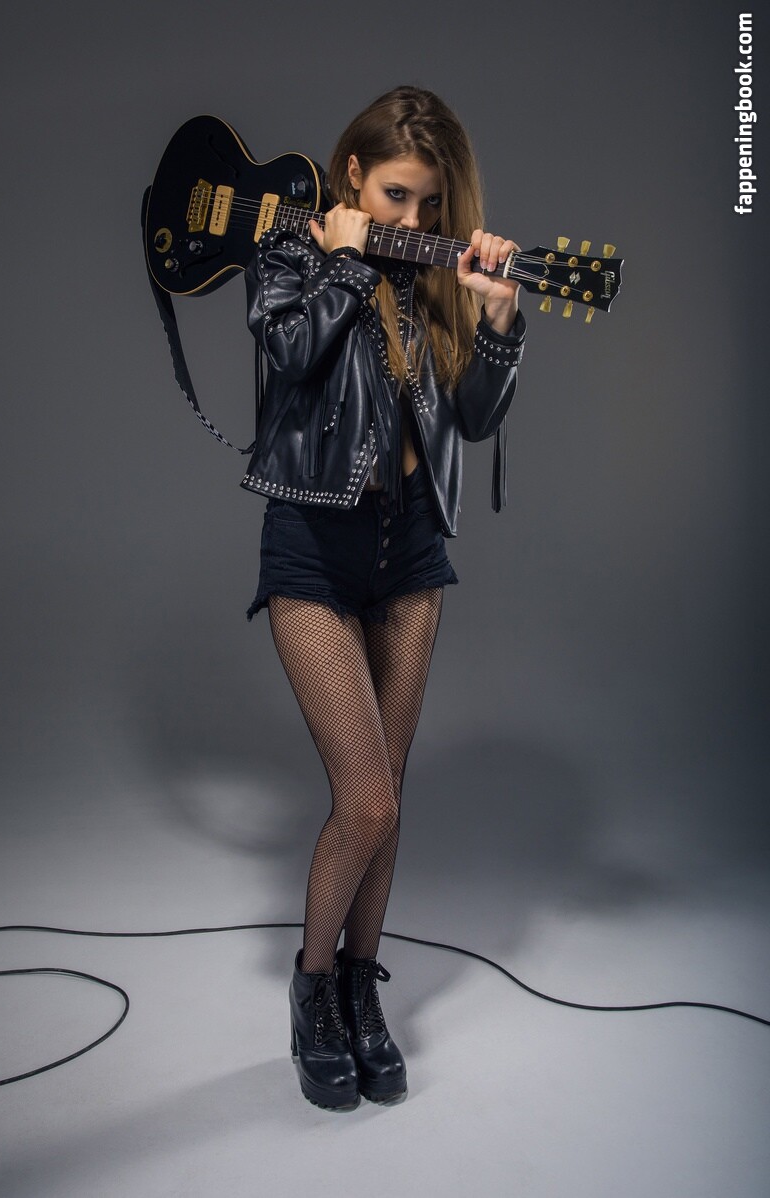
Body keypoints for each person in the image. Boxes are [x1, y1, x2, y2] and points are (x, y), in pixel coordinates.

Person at [241, 85, 525, 1110]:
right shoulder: (289, 250)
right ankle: (314, 985)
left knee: (389, 794)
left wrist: (499, 322)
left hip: (409, 551)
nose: (415, 218)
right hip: (313, 545)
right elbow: (288, 352)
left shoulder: (436, 274)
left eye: (431, 204)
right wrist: (348, 260)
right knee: (361, 799)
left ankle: (363, 991)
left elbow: (474, 419)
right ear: (353, 176)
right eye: (397, 196)